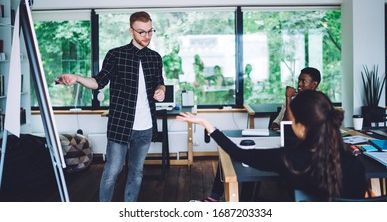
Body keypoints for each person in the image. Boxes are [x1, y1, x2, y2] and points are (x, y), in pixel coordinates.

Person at [177, 90, 367, 201]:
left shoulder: (290, 159)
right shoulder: (355, 162)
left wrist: (206, 124)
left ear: (301, 126)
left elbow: (240, 154)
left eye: (292, 120)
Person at [55, 11, 165, 202]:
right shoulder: (116, 55)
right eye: (141, 32)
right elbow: (98, 82)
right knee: (112, 172)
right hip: (120, 124)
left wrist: (161, 90)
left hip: (145, 126)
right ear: (131, 31)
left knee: (136, 172)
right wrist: (77, 78)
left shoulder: (155, 57)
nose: (146, 36)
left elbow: (159, 82)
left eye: (150, 31)